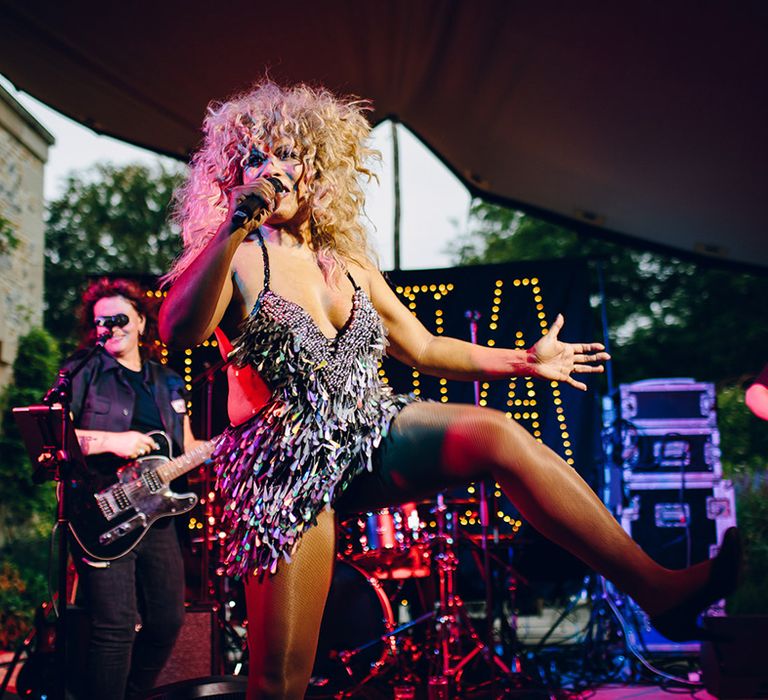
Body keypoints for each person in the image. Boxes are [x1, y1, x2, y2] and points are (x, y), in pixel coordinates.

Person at [159, 82, 741, 699]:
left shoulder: (348, 263)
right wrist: (231, 225)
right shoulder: (238, 255)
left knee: (496, 434)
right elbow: (178, 328)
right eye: (252, 158)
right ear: (232, 175)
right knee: (281, 679)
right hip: (284, 464)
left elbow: (424, 347)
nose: (268, 168)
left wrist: (522, 360)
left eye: (284, 153)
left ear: (316, 168)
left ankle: (659, 590)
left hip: (368, 428)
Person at [63, 277, 199, 699]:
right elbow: (54, 437)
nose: (112, 328)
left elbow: (188, 446)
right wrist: (111, 441)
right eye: (102, 322)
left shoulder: (169, 382)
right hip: (100, 510)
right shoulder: (81, 372)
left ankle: (132, 693)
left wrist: (224, 447)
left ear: (141, 321)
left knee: (167, 621)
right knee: (116, 626)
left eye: (121, 318)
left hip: (156, 517)